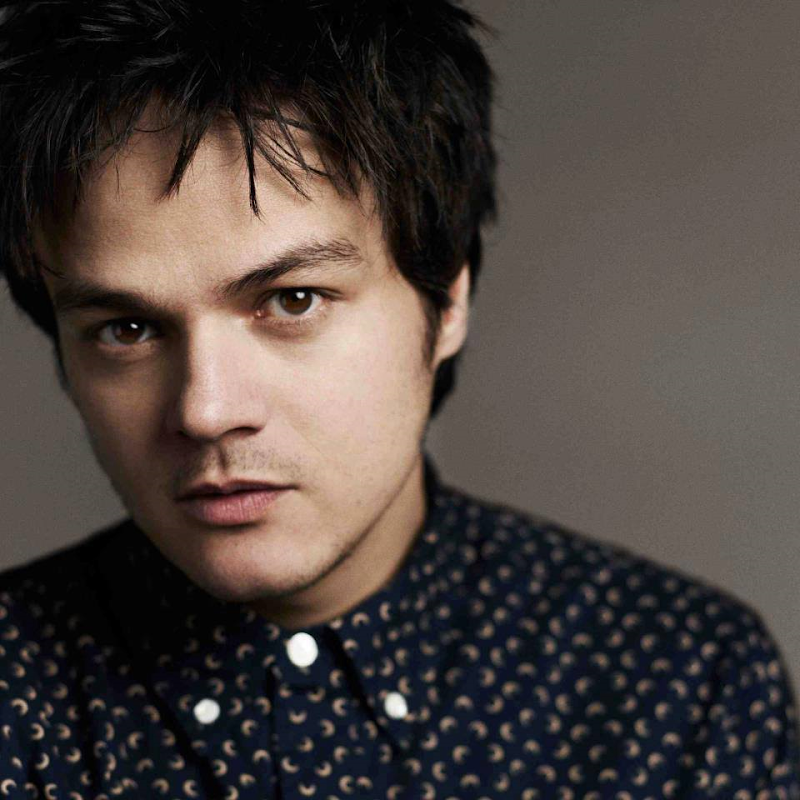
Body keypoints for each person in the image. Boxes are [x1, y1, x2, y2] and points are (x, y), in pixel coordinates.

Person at [0, 0, 797, 797]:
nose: (205, 411)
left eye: (293, 300)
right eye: (128, 329)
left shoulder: (681, 683)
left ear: (446, 301)